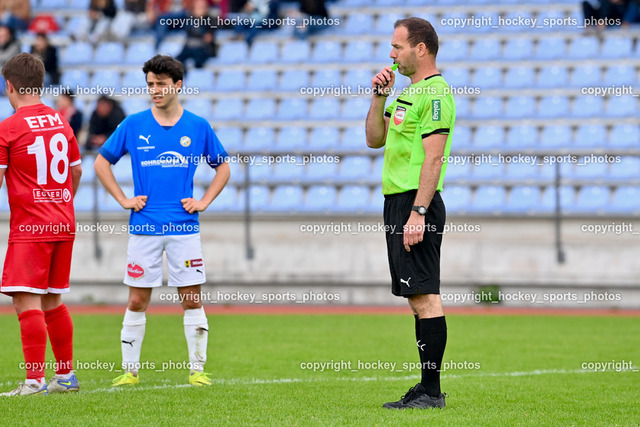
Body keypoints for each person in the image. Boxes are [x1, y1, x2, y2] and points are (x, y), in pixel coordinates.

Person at [93, 55, 230, 387]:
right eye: (150, 85)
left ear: (177, 85)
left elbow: (223, 167)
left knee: (191, 298)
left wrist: (204, 201)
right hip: (144, 227)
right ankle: (130, 372)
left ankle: (197, 370)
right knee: (137, 299)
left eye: (160, 84)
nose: (154, 90)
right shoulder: (134, 124)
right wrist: (124, 199)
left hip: (184, 228)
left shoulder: (198, 126)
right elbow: (101, 163)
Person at [365, 17, 455, 410]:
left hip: (416, 202)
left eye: (397, 46)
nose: (391, 53)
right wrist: (378, 97)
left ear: (421, 49)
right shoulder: (406, 94)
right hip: (398, 201)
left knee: (425, 296)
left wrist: (418, 211)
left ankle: (431, 391)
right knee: (416, 296)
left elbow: (433, 159)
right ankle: (426, 387)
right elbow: (374, 139)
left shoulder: (435, 95)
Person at [0, 53, 82, 396]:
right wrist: (61, 203)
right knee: (52, 300)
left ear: (9, 86)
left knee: (25, 301)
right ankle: (66, 376)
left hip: (31, 226)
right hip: (63, 222)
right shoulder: (61, 121)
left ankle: (34, 380)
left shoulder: (8, 128)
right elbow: (76, 170)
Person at [176, 0, 217, 68]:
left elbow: (208, 38)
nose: (200, 8)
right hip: (189, 47)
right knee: (177, 61)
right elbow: (188, 31)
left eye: (202, 6)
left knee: (198, 62)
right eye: (198, 6)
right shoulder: (189, 19)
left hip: (202, 49)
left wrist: (200, 19)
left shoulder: (211, 20)